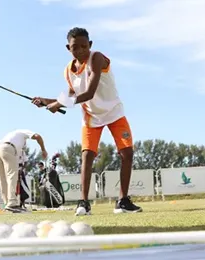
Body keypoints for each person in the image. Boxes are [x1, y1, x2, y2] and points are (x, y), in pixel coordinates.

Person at [31, 27, 142, 215]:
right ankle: (83, 203)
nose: (81, 50)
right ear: (68, 48)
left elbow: (89, 92)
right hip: (91, 117)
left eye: (84, 46)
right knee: (87, 157)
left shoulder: (97, 58)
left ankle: (122, 201)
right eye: (75, 47)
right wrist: (46, 101)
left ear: (90, 45)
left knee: (127, 153)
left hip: (114, 112)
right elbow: (71, 94)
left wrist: (57, 104)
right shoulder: (68, 71)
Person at [0, 129, 47, 213]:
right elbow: (38, 136)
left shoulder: (13, 137)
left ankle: (7, 203)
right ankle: (12, 203)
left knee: (3, 178)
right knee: (12, 175)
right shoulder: (23, 133)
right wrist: (43, 150)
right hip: (7, 147)